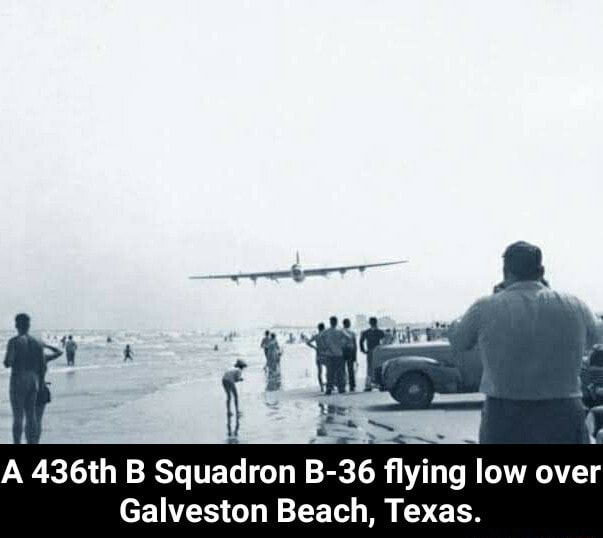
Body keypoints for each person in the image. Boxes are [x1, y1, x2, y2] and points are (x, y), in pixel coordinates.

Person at [449, 241, 601, 444]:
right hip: (563, 410)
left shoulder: (486, 307)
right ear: (542, 271)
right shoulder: (574, 305)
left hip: (505, 414)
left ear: (505, 272)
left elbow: (459, 342)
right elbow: (595, 339)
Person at [3, 313, 46, 444]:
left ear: (17, 325)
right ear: (28, 325)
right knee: (31, 415)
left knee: (18, 416)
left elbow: (8, 362)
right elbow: (42, 366)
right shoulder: (38, 343)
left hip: (19, 378)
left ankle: (17, 442)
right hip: (34, 380)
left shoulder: (14, 341)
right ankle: (32, 442)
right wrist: (42, 384)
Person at [35, 343, 63, 441]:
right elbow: (59, 352)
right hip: (41, 389)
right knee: (38, 420)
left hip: (27, 390)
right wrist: (47, 345)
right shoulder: (44, 357)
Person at [320, 316, 350, 395]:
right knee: (340, 372)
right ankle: (341, 388)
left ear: (330, 322)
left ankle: (329, 388)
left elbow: (320, 337)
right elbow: (348, 338)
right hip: (338, 353)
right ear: (336, 322)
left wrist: (325, 346)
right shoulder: (340, 331)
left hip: (329, 354)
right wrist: (343, 345)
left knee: (330, 372)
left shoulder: (327, 331)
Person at [359, 317, 385, 391]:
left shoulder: (366, 332)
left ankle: (368, 385)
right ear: (376, 322)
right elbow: (385, 340)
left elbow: (361, 341)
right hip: (378, 351)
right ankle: (380, 384)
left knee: (369, 368)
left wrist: (363, 350)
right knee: (379, 367)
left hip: (370, 351)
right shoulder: (380, 332)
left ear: (369, 323)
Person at [306, 323, 327, 391]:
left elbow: (308, 342)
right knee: (328, 370)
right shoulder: (325, 335)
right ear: (324, 328)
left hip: (318, 354)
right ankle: (329, 385)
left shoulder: (316, 336)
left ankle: (321, 387)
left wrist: (315, 347)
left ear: (318, 328)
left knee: (319, 372)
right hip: (326, 354)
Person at [342, 318, 358, 391]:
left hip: (343, 351)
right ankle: (352, 385)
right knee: (350, 369)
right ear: (349, 324)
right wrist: (355, 356)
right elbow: (355, 345)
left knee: (342, 369)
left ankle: (343, 384)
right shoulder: (352, 332)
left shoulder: (340, 332)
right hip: (350, 351)